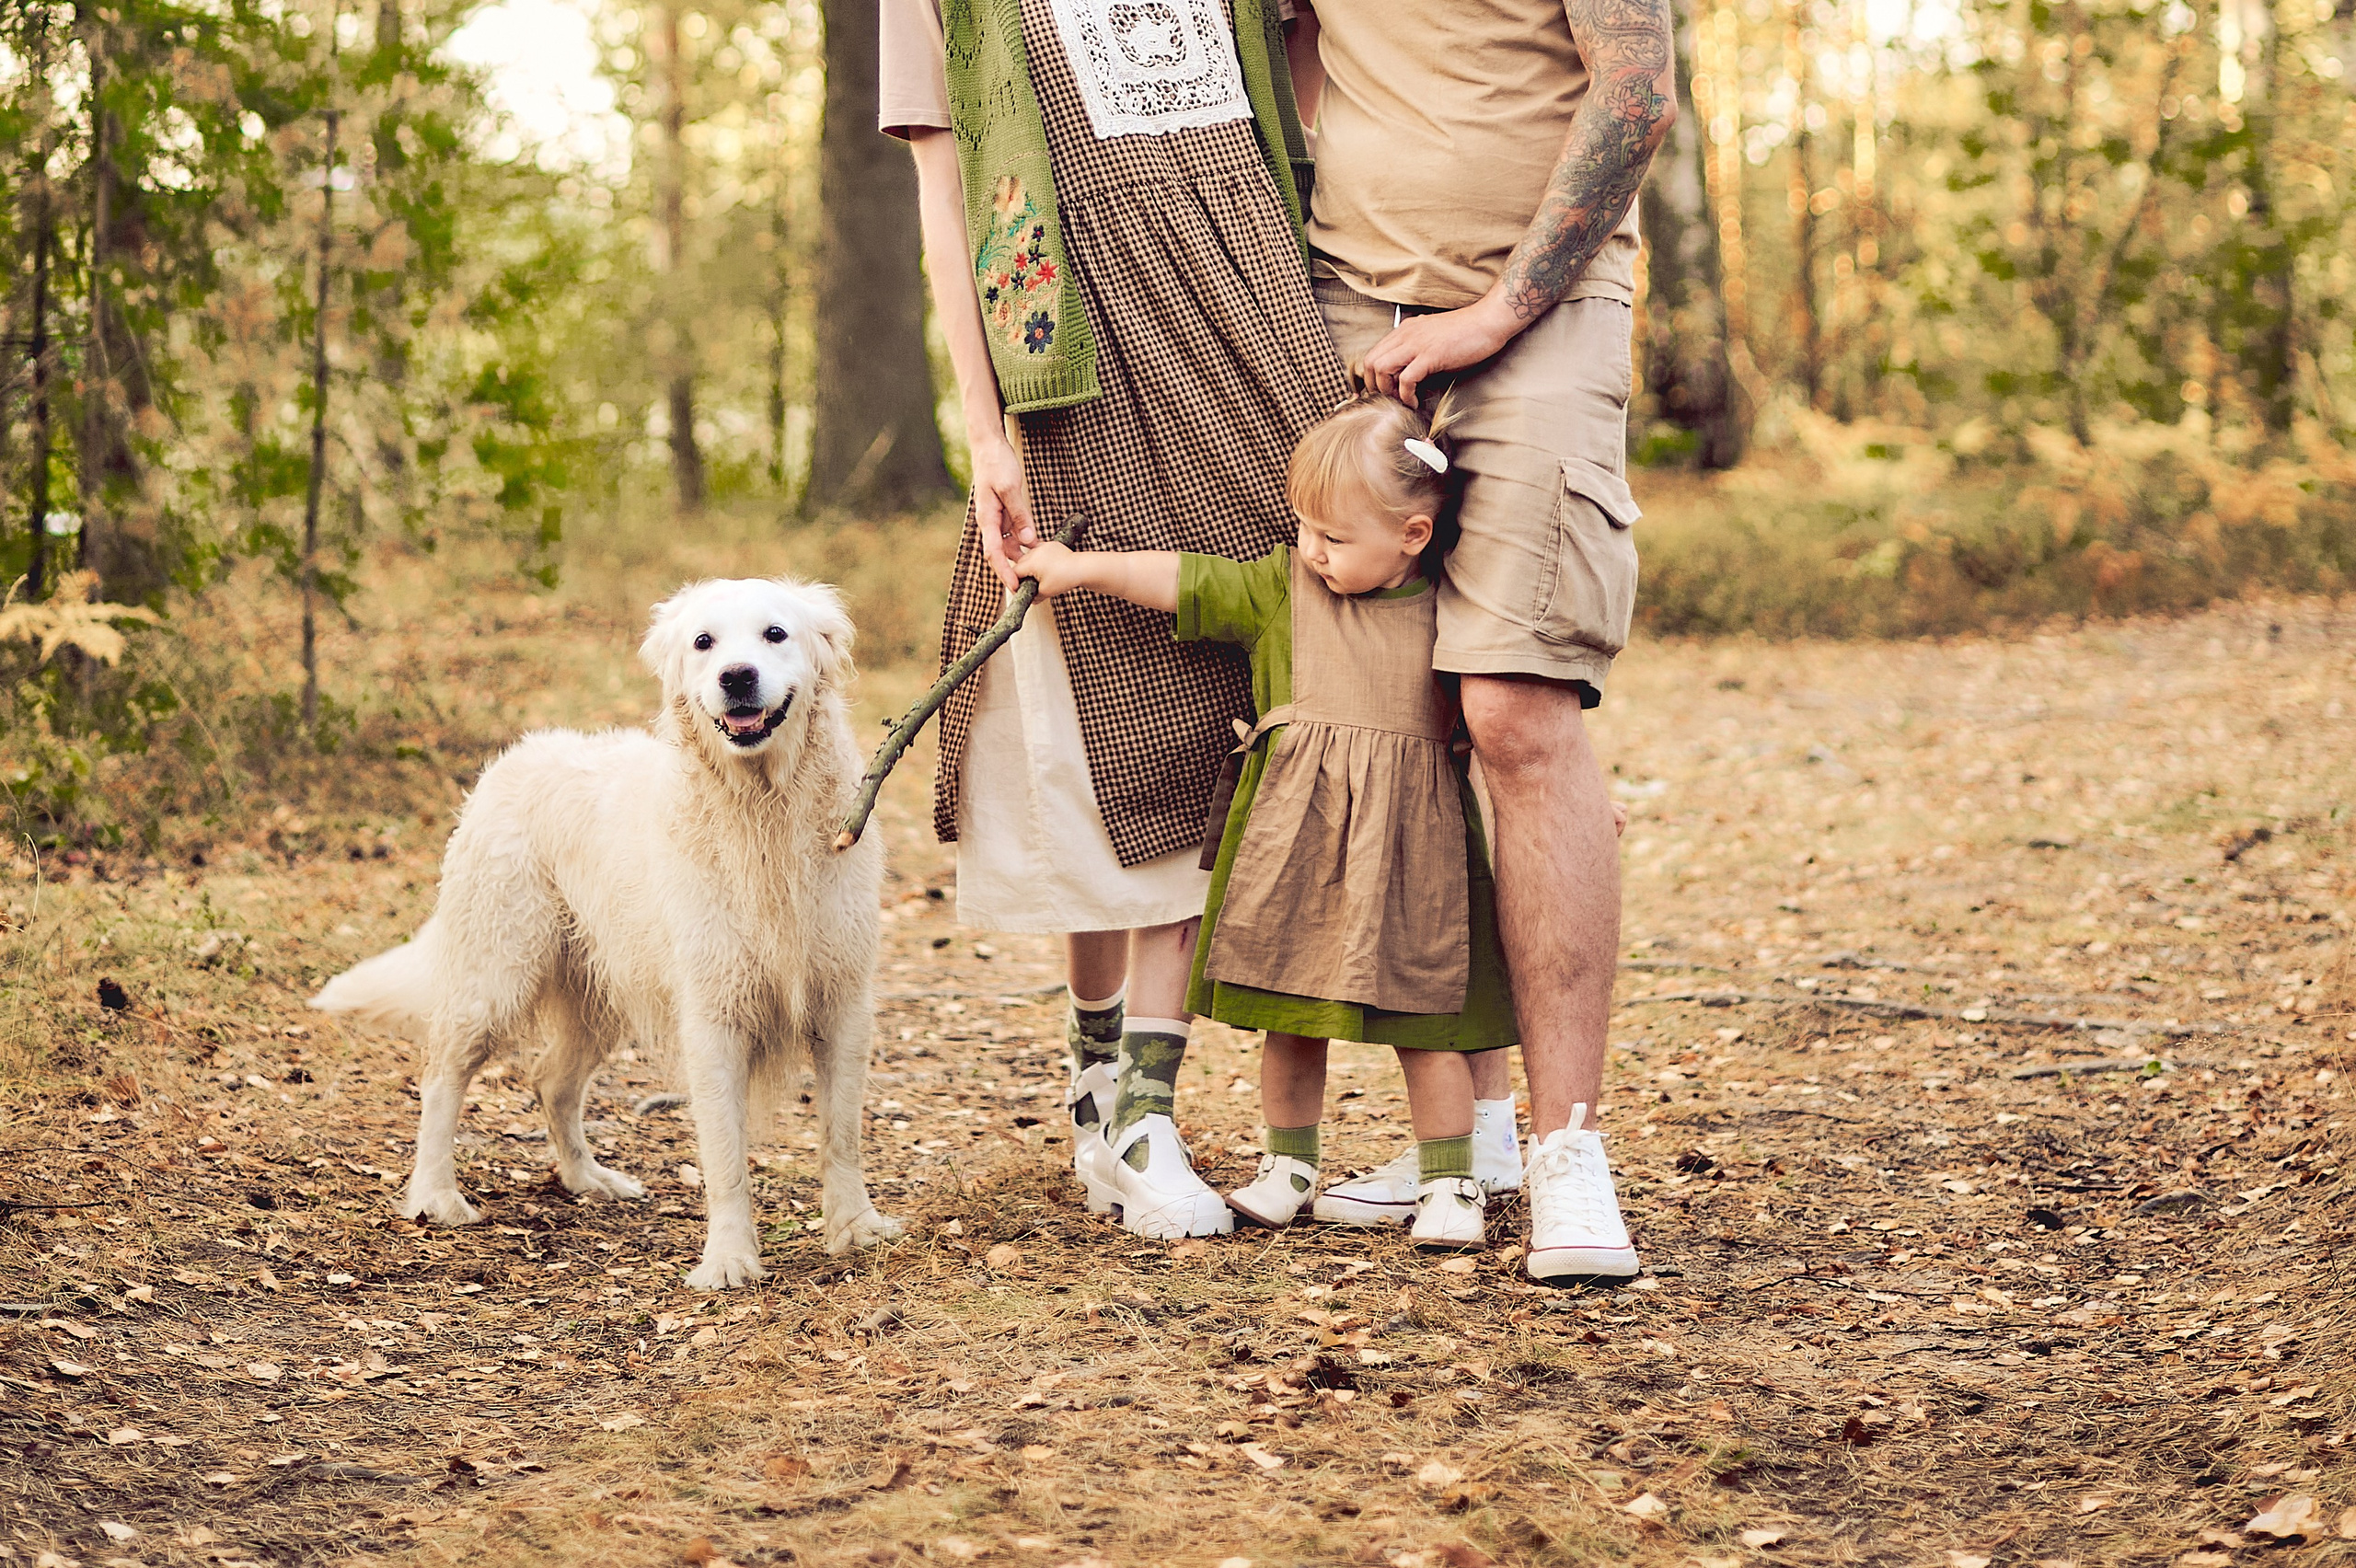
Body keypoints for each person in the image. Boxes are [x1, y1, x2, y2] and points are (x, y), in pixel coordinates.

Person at [878, 0, 1348, 1238]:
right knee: (1117, 710)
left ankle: (1142, 1097)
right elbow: (946, 198)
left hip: (1258, 333)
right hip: (1076, 355)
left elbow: (1308, 80)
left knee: (1243, 712)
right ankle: (1120, 1108)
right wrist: (987, 429)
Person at [1285, 0, 1679, 1282]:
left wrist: (1498, 311)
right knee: (1402, 719)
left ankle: (1569, 1148)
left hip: (1544, 307)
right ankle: (1480, 1130)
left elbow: (1635, 90)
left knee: (1514, 707)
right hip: (1351, 308)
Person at [1016, 392, 1515, 1248]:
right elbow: (1180, 579)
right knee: (1289, 1019)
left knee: (1431, 1024)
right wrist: (1079, 567)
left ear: (1412, 537)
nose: (1310, 550)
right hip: (1302, 849)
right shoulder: (1280, 592)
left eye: (1333, 536)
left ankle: (1450, 1182)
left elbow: (1506, 729)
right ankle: (1289, 1165)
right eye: (1305, 528)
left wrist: (1576, 800)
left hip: (1413, 854)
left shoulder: (1452, 616)